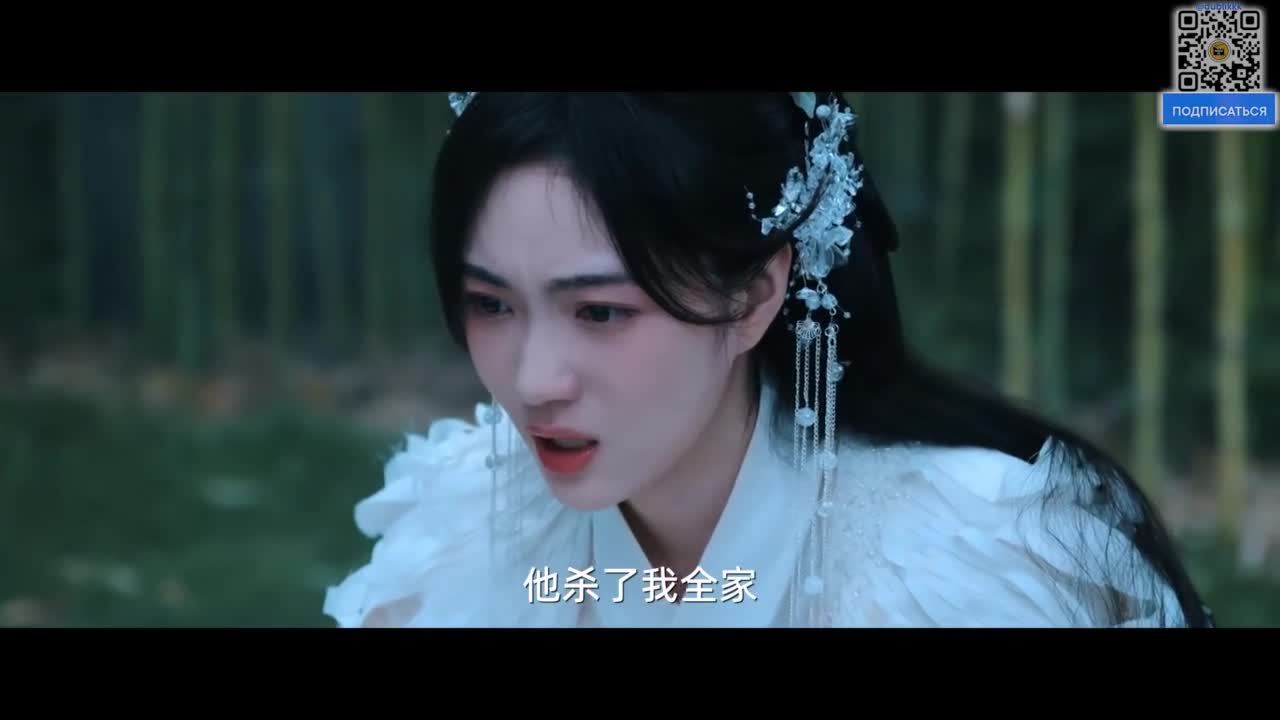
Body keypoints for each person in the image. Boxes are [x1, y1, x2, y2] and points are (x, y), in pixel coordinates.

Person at [322, 92, 1215, 628]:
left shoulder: (966, 564)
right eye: (492, 304)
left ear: (753, 295)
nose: (532, 381)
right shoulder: (466, 523)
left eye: (600, 311)